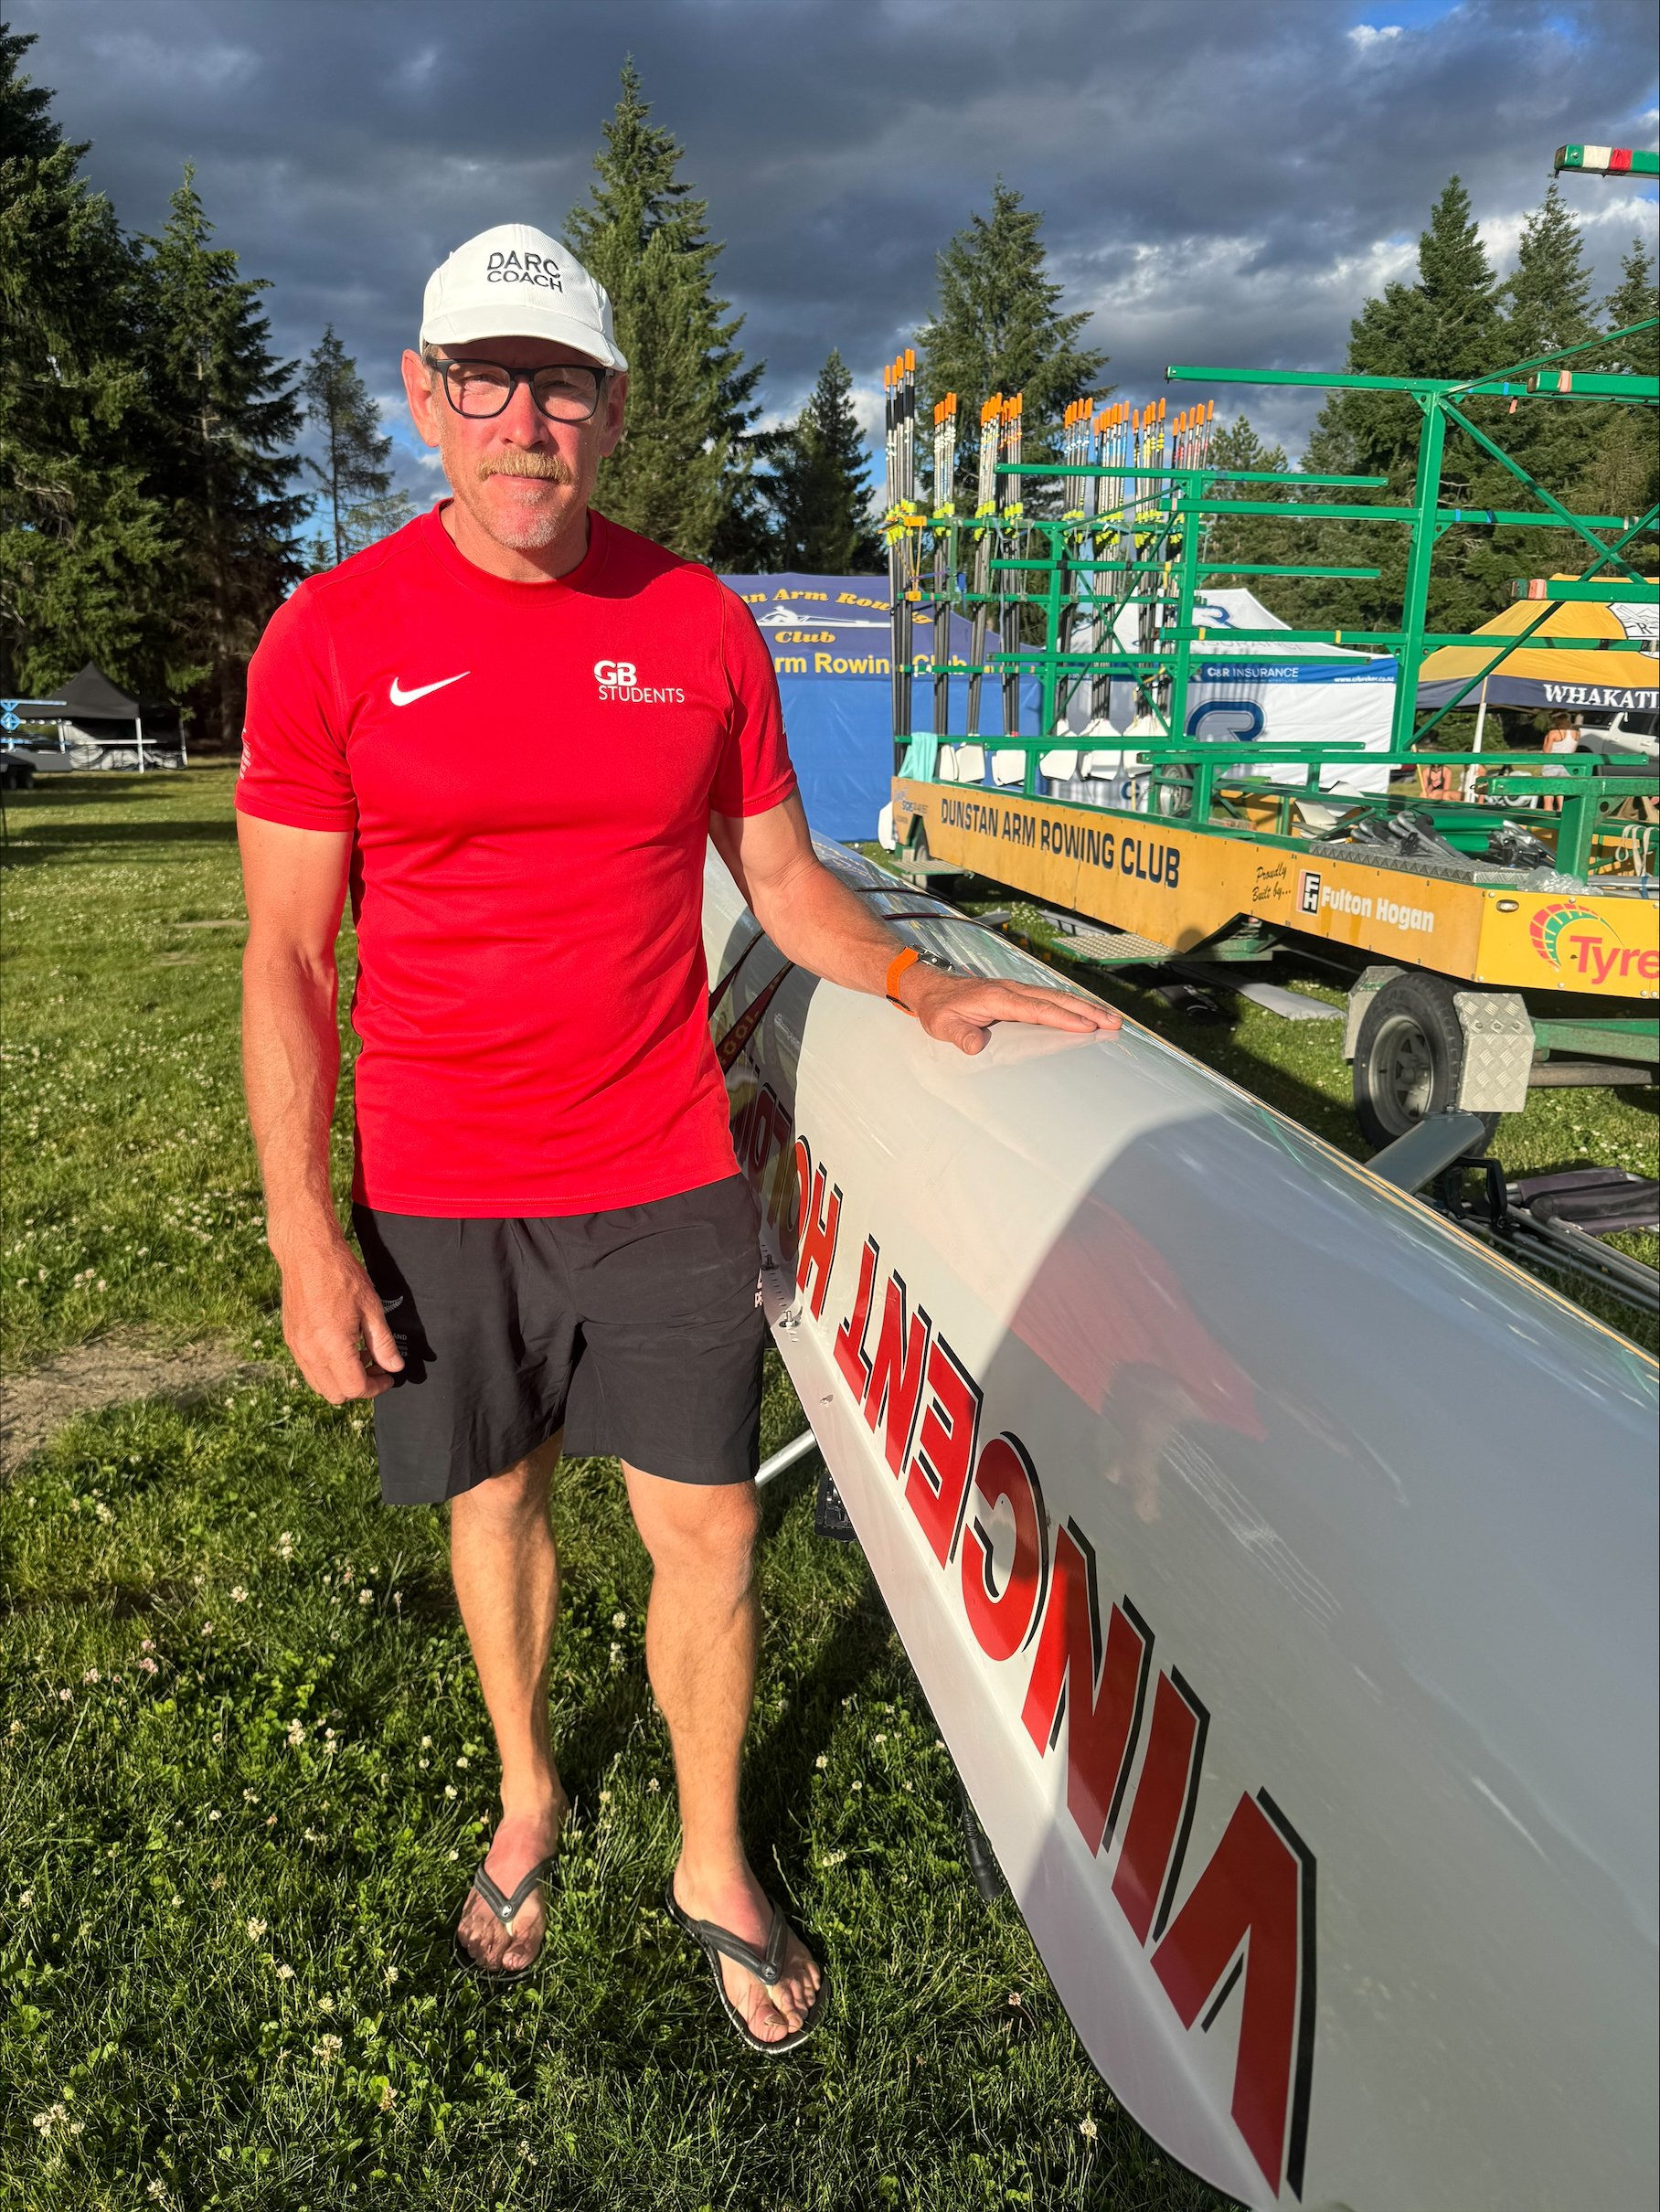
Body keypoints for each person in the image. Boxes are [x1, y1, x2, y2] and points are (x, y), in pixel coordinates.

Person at [234, 225, 1119, 2050]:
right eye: (483, 377)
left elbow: (780, 878)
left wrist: (908, 980)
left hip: (652, 1159)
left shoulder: (694, 623)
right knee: (496, 1500)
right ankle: (529, 1792)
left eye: (560, 382)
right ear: (423, 396)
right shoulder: (332, 634)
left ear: (613, 409)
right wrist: (305, 1233)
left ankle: (710, 1853)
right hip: (436, 1175)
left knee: (707, 1530)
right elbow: (284, 958)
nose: (524, 422)